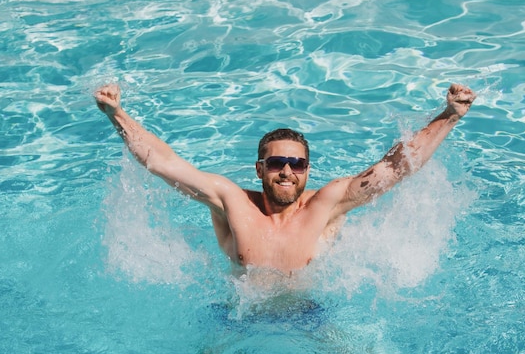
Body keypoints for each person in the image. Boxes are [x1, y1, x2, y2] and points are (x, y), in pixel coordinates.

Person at [95, 83, 476, 273]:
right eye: (276, 163)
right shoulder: (231, 202)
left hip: (307, 317)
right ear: (259, 169)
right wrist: (116, 113)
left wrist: (450, 115)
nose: (287, 172)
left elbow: (394, 167)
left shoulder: (327, 204)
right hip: (237, 321)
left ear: (308, 170)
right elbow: (164, 163)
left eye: (297, 164)